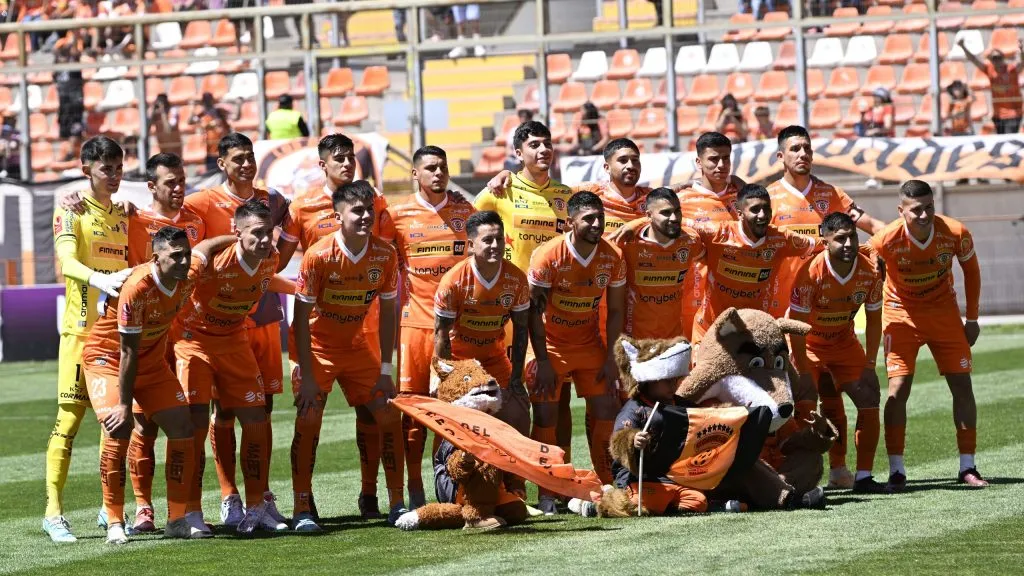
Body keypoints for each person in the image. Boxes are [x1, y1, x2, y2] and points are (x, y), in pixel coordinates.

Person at [82, 228, 232, 543]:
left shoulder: (188, 273)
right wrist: (124, 405)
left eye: (184, 255)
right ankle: (114, 521)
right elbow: (126, 352)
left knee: (182, 426)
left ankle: (177, 519)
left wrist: (237, 238)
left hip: (149, 363)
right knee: (118, 428)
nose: (182, 261)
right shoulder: (138, 288)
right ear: (156, 257)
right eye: (174, 255)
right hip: (107, 361)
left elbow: (205, 246)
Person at [276, 133, 391, 519]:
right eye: (339, 158)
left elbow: (388, 256)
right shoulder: (302, 207)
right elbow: (276, 263)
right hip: (317, 329)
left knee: (376, 412)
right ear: (322, 164)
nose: (347, 163)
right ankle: (302, 504)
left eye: (352, 157)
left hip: (365, 326)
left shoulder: (377, 203)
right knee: (310, 414)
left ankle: (371, 496)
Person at [183, 133, 291, 530]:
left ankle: (260, 499)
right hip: (211, 320)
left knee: (261, 411)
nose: (246, 164)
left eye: (250, 157)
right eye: (237, 159)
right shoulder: (201, 200)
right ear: (221, 164)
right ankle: (228, 497)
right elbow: (163, 214)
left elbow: (277, 257)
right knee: (219, 412)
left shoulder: (271, 201)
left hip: (258, 316)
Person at [291, 180, 405, 532]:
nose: (365, 216)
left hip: (357, 350)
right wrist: (306, 375)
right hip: (319, 351)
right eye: (357, 210)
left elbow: (389, 314)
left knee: (389, 415)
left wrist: (386, 368)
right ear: (337, 215)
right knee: (308, 421)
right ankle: (302, 508)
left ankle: (397, 503)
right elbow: (298, 320)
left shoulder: (385, 255)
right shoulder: (319, 255)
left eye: (369, 209)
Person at [868, 180, 985, 491]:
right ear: (901, 211)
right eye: (916, 210)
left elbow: (971, 271)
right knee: (898, 387)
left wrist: (971, 318)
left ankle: (968, 466)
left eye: (929, 207)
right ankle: (897, 470)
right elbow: (864, 270)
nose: (924, 215)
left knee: (962, 385)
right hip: (900, 313)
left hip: (944, 312)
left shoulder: (955, 232)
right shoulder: (885, 239)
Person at [379, 145, 476, 513]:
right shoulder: (397, 215)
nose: (439, 173)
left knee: (451, 412)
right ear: (415, 174)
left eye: (443, 167)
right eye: (431, 168)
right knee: (412, 414)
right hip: (415, 328)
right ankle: (412, 487)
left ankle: (446, 482)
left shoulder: (466, 212)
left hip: (455, 333)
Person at [44, 136, 131, 543]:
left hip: (114, 337)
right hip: (80, 334)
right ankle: (53, 513)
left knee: (111, 425)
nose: (114, 175)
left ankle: (107, 508)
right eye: (106, 168)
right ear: (87, 170)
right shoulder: (70, 210)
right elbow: (66, 260)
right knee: (69, 421)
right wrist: (99, 278)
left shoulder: (124, 214)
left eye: (117, 167)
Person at [476, 120, 575, 473]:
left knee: (556, 399)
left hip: (555, 310)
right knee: (507, 397)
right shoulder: (498, 192)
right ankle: (508, 477)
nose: (543, 149)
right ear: (518, 153)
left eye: (547, 143)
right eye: (534, 144)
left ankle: (558, 476)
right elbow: (475, 239)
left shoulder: (566, 196)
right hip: (510, 312)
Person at [121, 153, 206, 534]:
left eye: (182, 180)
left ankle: (187, 510)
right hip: (145, 334)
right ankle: (142, 508)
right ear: (151, 187)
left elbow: (204, 258)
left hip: (183, 335)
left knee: (187, 421)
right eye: (170, 182)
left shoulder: (196, 221)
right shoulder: (133, 220)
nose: (178, 188)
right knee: (143, 424)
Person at [527, 190, 626, 514]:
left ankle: (607, 481)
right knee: (546, 415)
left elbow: (614, 312)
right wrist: (541, 360)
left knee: (606, 408)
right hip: (551, 345)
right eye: (588, 219)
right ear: (570, 222)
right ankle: (549, 489)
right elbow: (533, 313)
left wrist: (612, 357)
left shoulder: (612, 256)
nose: (597, 224)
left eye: (600, 217)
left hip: (588, 345)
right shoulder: (548, 255)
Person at [788, 212, 888, 494]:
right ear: (825, 241)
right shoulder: (810, 273)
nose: (847, 244)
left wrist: (870, 364)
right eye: (840, 239)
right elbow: (795, 327)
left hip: (844, 343)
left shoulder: (870, 272)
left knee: (869, 395)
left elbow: (874, 320)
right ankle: (801, 479)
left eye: (852, 237)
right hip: (808, 345)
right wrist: (804, 371)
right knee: (808, 406)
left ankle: (864, 477)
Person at [766, 125, 884, 322]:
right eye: (795, 149)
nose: (802, 154)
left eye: (807, 149)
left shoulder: (832, 195)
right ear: (780, 156)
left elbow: (872, 225)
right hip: (781, 303)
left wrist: (900, 237)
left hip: (825, 304)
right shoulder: (768, 198)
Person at [433, 210, 531, 436]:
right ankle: (446, 470)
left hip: (493, 358)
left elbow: (521, 330)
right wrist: (447, 379)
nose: (495, 245)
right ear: (470, 245)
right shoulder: (454, 281)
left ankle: (513, 472)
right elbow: (441, 335)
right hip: (459, 361)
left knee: (519, 413)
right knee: (453, 427)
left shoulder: (516, 279)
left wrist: (517, 377)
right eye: (487, 240)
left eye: (499, 238)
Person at [690, 183, 817, 346]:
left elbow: (821, 243)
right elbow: (680, 227)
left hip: (752, 333)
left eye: (766, 209)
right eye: (755, 209)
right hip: (710, 331)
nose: (762, 215)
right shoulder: (718, 234)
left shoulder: (780, 239)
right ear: (740, 212)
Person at [615, 187, 704, 340]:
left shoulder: (690, 240)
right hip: (635, 340)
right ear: (648, 215)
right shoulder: (628, 243)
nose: (675, 218)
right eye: (666, 213)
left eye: (677, 211)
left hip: (673, 340)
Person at [960, 38, 1023, 134]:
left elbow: (1022, 62)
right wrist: (963, 47)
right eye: (994, 58)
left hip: (1013, 114)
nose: (996, 61)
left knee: (1008, 141)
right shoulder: (990, 70)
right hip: (998, 115)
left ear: (1003, 58)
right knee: (1002, 141)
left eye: (998, 58)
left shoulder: (1011, 70)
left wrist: (1022, 50)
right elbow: (974, 60)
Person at [191, 93, 232, 172]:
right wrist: (193, 108)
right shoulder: (202, 114)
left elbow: (232, 117)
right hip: (210, 150)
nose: (207, 103)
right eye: (205, 101)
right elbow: (190, 121)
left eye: (209, 100)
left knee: (226, 172)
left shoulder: (219, 112)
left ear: (212, 101)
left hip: (223, 149)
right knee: (212, 174)